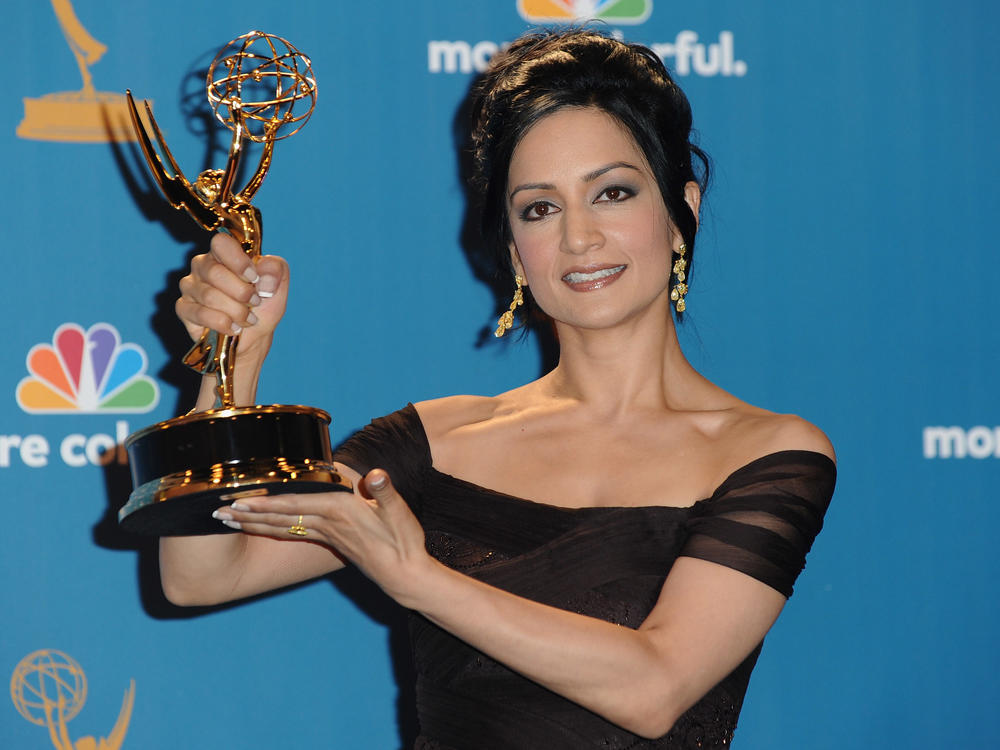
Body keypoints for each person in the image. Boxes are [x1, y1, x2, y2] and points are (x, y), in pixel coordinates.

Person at [163, 29, 836, 749]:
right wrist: (231, 363)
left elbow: (655, 687)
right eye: (540, 208)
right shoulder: (432, 442)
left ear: (683, 212)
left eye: (612, 192)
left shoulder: (768, 453)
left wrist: (418, 578)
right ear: (516, 251)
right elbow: (204, 574)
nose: (580, 238)